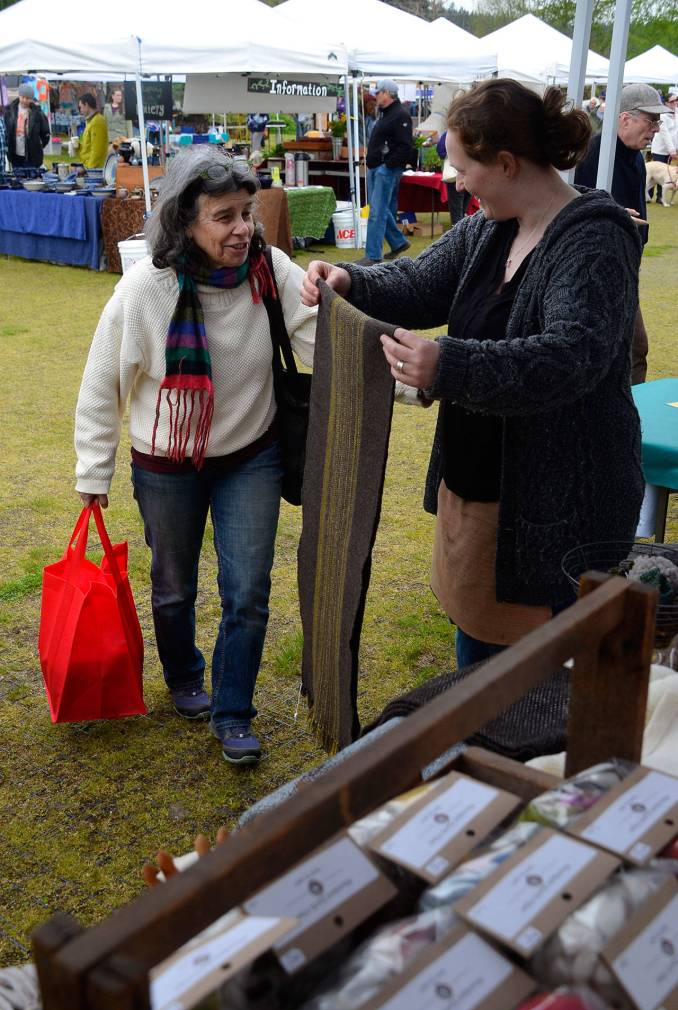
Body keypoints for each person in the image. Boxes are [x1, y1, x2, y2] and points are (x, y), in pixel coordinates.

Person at [302, 79, 644, 670]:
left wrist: (448, 364)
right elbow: (421, 282)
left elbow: (571, 356)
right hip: (482, 492)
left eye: (463, 169)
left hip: (557, 509)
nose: (457, 183)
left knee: (531, 685)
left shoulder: (594, 239)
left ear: (506, 163)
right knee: (479, 662)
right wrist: (351, 279)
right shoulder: (490, 225)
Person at [74, 148, 317, 765]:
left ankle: (234, 712)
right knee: (173, 587)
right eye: (224, 217)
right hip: (166, 463)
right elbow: (103, 383)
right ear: (185, 222)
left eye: (247, 213)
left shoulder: (269, 268)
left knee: (247, 590)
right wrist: (93, 470)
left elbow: (324, 337)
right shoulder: (145, 289)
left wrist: (409, 378)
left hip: (251, 455)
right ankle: (183, 674)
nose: (243, 229)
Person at [575, 82, 666, 384]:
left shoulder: (637, 157)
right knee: (622, 351)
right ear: (625, 118)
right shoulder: (591, 154)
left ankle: (626, 410)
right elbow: (566, 203)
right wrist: (606, 211)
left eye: (658, 121)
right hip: (591, 271)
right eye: (651, 120)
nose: (655, 129)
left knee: (634, 350)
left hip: (624, 268)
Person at [357, 78, 413, 267]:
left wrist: (387, 165)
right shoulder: (387, 114)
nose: (376, 96)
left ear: (388, 93)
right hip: (378, 168)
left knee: (377, 212)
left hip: (385, 170)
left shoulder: (400, 115)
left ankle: (373, 255)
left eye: (379, 92)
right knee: (379, 209)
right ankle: (398, 242)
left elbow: (405, 146)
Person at [3, 83, 50, 169]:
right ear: (19, 96)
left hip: (32, 157)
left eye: (27, 98)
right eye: (22, 97)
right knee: (17, 176)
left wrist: (38, 146)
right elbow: (5, 130)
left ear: (31, 99)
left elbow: (46, 133)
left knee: (32, 177)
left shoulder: (38, 113)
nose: (24, 100)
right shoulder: (9, 111)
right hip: (15, 156)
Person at [437, 129, 471, 225]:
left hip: (455, 175)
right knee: (463, 208)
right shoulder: (473, 131)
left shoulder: (450, 132)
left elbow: (441, 151)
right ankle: (462, 229)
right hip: (471, 174)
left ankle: (459, 230)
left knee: (457, 210)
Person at [649, 91, 677, 203]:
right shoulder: (662, 115)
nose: (675, 102)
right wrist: (672, 150)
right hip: (659, 150)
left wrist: (675, 148)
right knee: (655, 173)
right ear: (666, 103)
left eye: (676, 100)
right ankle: (648, 196)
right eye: (672, 101)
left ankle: (660, 197)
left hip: (671, 149)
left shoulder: (677, 113)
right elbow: (665, 133)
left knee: (666, 175)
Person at [75, 93, 108, 168]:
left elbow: (97, 151)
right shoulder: (91, 121)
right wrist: (78, 147)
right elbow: (88, 146)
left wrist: (89, 169)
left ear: (86, 105)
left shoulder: (97, 121)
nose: (80, 110)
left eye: (80, 107)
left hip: (95, 169)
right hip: (88, 165)